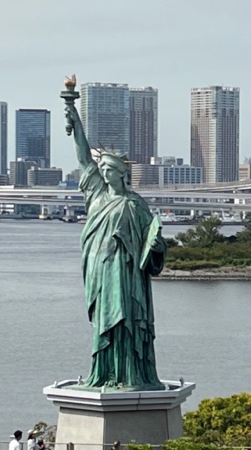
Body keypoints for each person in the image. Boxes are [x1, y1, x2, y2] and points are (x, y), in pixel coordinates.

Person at [64, 102, 166, 390]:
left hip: (127, 272)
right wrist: (76, 122)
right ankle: (105, 372)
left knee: (127, 321)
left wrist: (157, 246)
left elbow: (151, 241)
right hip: (101, 270)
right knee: (104, 322)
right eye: (103, 169)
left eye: (109, 169)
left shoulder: (135, 204)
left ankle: (131, 374)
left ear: (122, 173)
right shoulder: (96, 195)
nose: (104, 173)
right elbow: (84, 159)